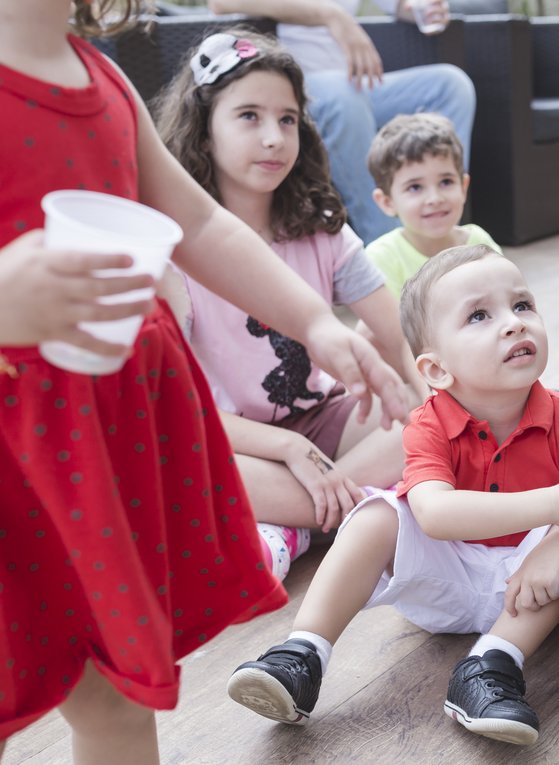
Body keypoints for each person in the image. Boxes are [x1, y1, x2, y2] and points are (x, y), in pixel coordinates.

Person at [0, 1, 409, 765]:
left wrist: (312, 322)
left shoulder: (101, 76)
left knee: (116, 698)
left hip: (95, 461)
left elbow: (197, 222)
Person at [226, 245, 559, 745]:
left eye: (522, 305)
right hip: (441, 577)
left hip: (529, 589)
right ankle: (302, 654)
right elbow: (433, 514)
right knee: (377, 514)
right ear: (436, 371)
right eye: (480, 315)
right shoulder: (430, 422)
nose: (514, 324)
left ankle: (490, 667)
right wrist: (551, 504)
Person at [152, 30, 427, 580]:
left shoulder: (322, 231)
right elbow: (178, 408)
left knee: (426, 422)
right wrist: (285, 449)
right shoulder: (172, 252)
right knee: (173, 461)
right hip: (234, 441)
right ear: (204, 132)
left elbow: (402, 335)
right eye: (249, 116)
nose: (274, 137)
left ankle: (296, 525)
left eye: (287, 119)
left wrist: (437, 421)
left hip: (327, 420)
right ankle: (343, 514)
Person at [209, 0, 476, 246]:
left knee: (451, 86)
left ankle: (441, 228)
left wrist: (424, 8)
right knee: (343, 98)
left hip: (354, 83)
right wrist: (329, 14)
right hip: (290, 85)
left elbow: (402, 5)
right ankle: (392, 245)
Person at [365, 112, 500, 299]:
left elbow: (510, 302)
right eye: (415, 187)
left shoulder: (479, 242)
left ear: (463, 188)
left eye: (445, 182)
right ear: (387, 202)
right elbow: (388, 328)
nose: (435, 198)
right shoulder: (382, 258)